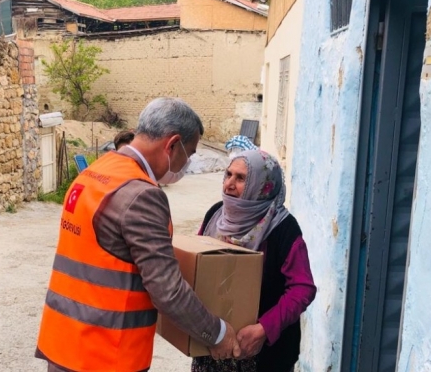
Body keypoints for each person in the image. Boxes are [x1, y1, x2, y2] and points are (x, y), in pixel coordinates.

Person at [35, 97, 241, 372]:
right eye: (189, 153)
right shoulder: (142, 195)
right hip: (105, 356)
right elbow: (167, 291)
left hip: (64, 344)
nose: (187, 163)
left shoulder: (96, 172)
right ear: (172, 144)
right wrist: (217, 333)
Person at [192, 149, 316, 372]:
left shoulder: (282, 228)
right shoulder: (216, 215)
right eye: (228, 174)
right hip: (214, 344)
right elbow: (197, 263)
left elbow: (302, 288)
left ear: (264, 185)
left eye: (241, 178)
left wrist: (264, 329)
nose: (229, 184)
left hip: (264, 352)